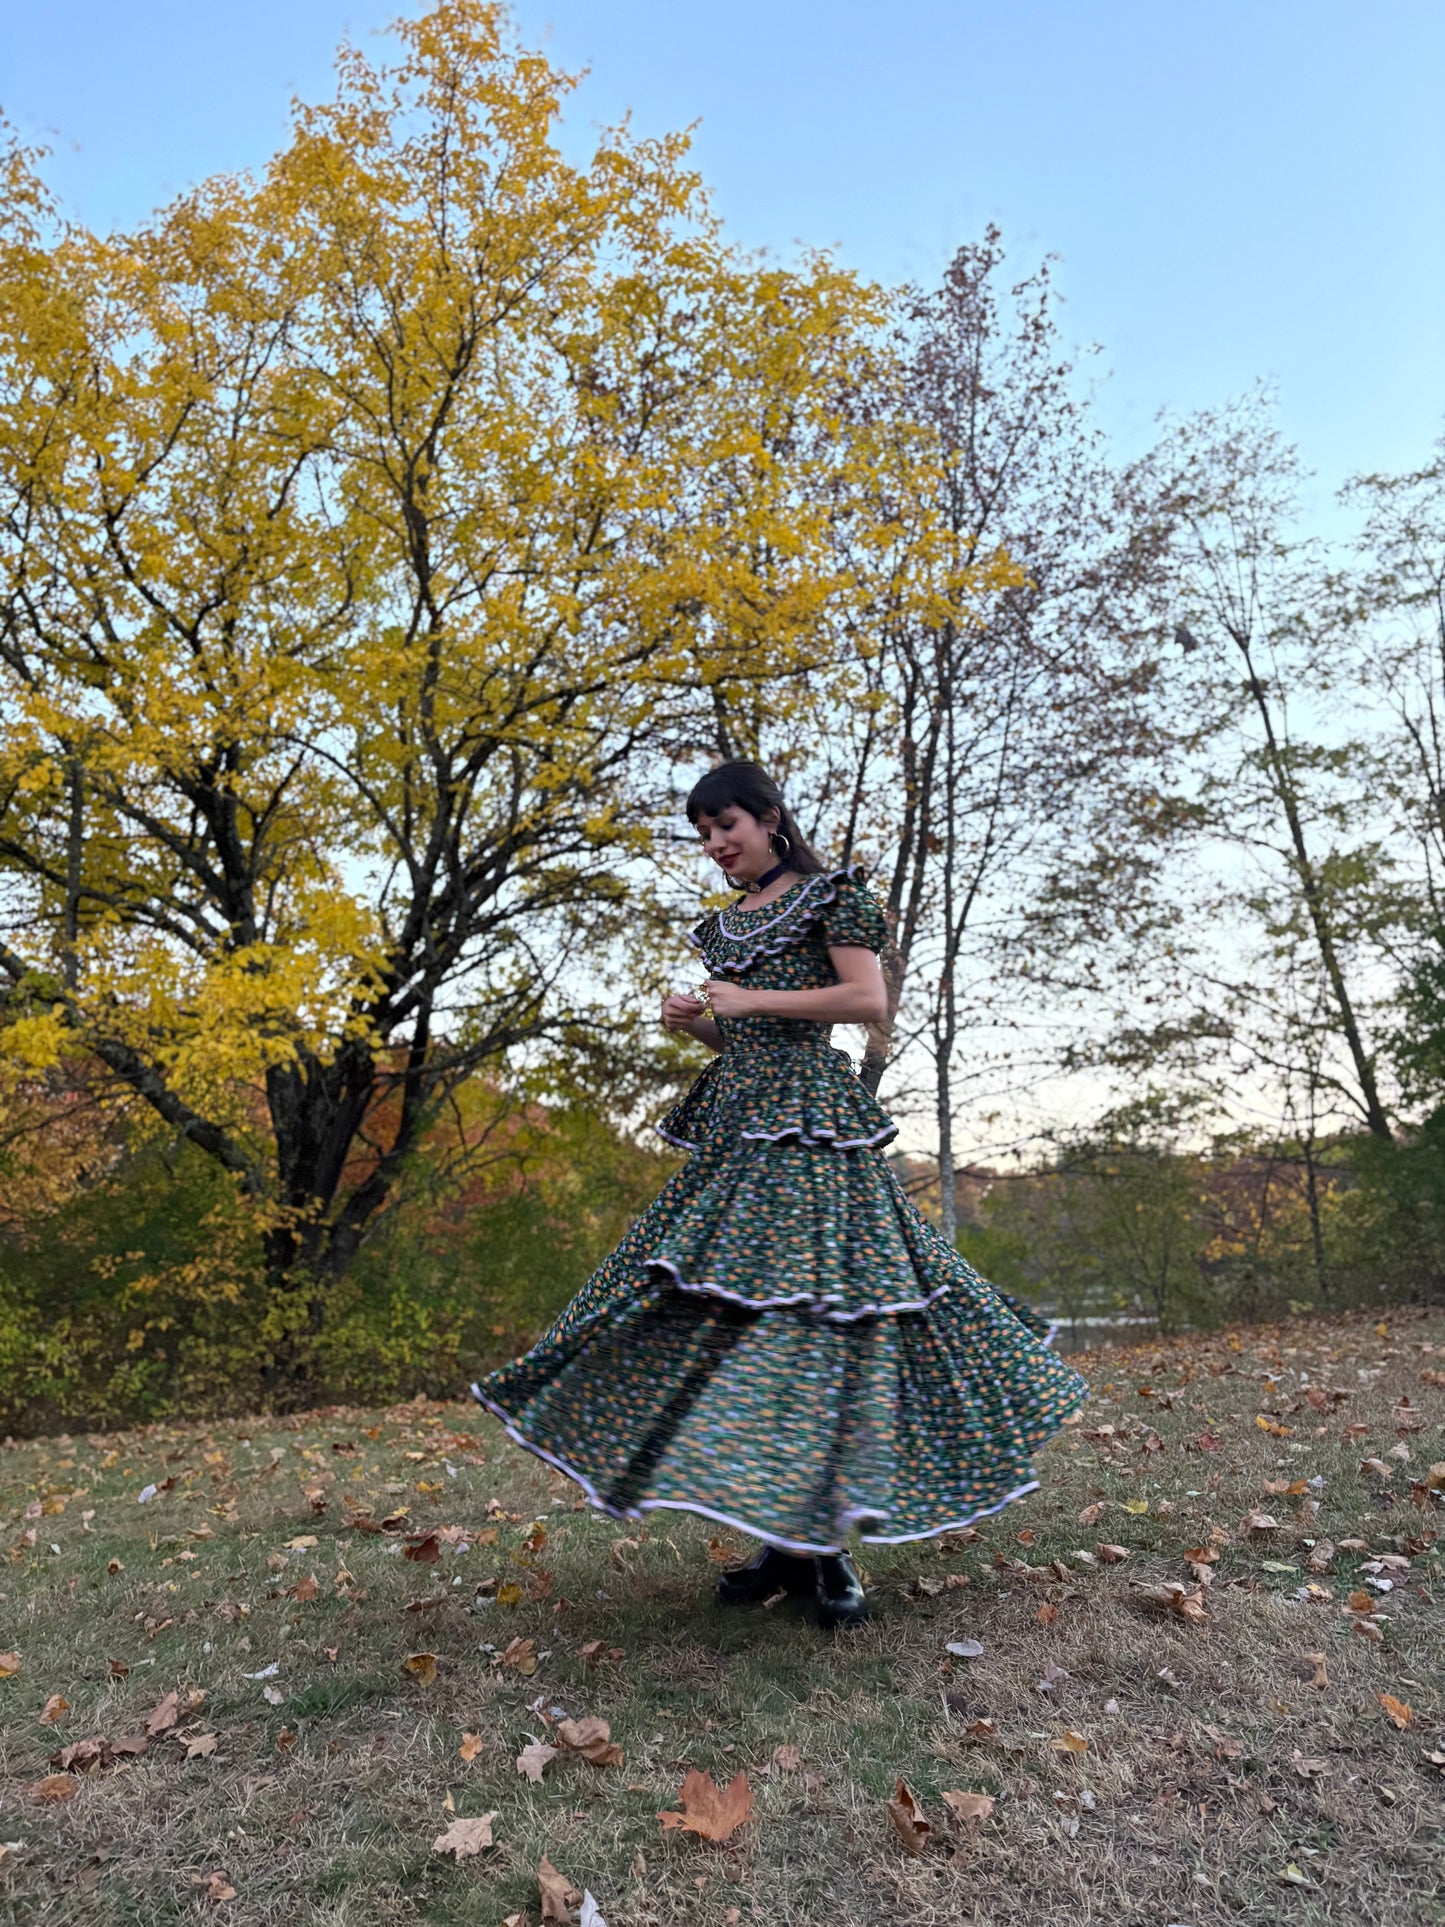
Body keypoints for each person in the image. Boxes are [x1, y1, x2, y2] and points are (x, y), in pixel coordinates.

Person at [471, 761, 1089, 1629]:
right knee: (734, 1320)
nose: (715, 843)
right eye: (702, 832)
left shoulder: (832, 896)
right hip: (738, 1131)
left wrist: (754, 995)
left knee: (818, 1323)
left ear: (768, 819)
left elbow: (867, 998)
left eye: (725, 824)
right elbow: (748, 1036)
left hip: (812, 1133)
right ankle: (785, 1539)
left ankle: (822, 1549)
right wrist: (703, 1028)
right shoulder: (724, 927)